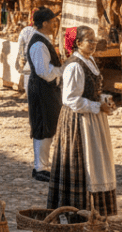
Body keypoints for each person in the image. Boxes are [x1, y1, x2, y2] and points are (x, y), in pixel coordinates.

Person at [48, 26, 117, 216]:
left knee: (96, 163)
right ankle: (75, 213)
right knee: (82, 164)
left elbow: (91, 91)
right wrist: (96, 107)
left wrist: (103, 100)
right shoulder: (74, 66)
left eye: (95, 41)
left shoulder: (90, 60)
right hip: (78, 122)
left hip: (93, 120)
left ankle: (95, 212)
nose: (94, 44)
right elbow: (70, 99)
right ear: (78, 43)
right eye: (90, 41)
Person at [26, 7, 63, 182]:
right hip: (42, 89)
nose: (55, 24)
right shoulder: (39, 44)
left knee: (47, 126)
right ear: (45, 23)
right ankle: (40, 167)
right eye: (53, 21)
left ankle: (42, 165)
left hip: (45, 89)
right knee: (42, 127)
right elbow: (44, 71)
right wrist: (62, 69)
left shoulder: (43, 41)